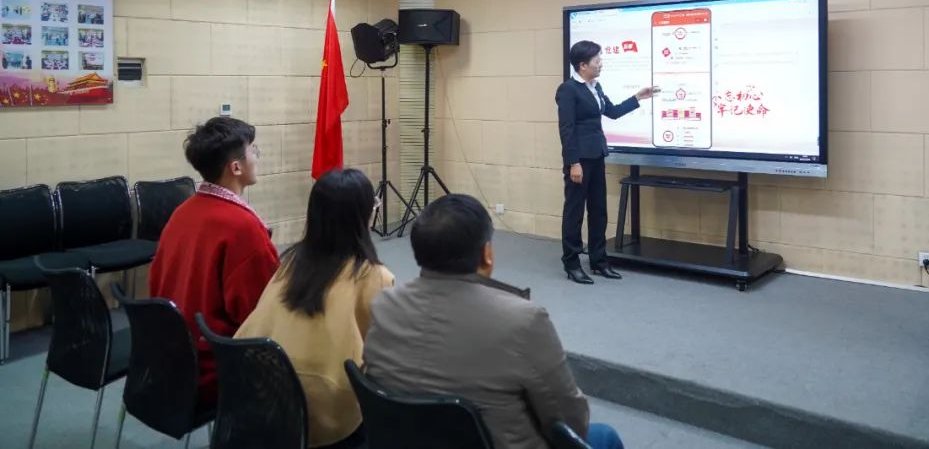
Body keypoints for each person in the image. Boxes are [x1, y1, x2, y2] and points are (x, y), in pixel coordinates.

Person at [363, 194, 624, 449]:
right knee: (605, 437)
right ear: (487, 254)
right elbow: (572, 423)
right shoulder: (523, 321)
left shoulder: (384, 305)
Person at [237, 168, 394, 448]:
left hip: (268, 401)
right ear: (364, 216)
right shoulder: (374, 276)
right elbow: (385, 360)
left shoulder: (291, 262)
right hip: (331, 418)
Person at [148, 116, 280, 410]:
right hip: (216, 367)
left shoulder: (182, 212)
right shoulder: (243, 228)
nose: (257, 157)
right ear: (236, 167)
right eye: (253, 151)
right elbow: (264, 314)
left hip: (170, 358)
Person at [556, 40, 656, 284]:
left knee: (598, 210)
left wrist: (637, 97)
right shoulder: (568, 90)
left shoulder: (595, 87)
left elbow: (612, 112)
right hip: (579, 160)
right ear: (583, 65)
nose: (601, 64)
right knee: (574, 212)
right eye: (597, 60)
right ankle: (571, 263)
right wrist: (573, 163)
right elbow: (567, 129)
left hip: (597, 155)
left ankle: (599, 261)